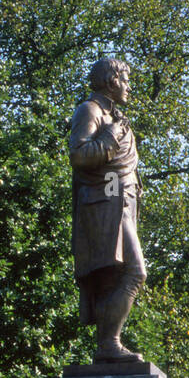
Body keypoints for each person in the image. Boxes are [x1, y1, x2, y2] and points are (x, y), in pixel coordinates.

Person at [68, 58, 146, 361]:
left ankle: (108, 345)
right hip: (102, 203)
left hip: (121, 202)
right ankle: (108, 344)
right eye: (125, 80)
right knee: (134, 272)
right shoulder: (90, 111)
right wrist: (111, 135)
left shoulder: (115, 115)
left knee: (118, 276)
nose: (128, 86)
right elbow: (79, 155)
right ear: (111, 81)